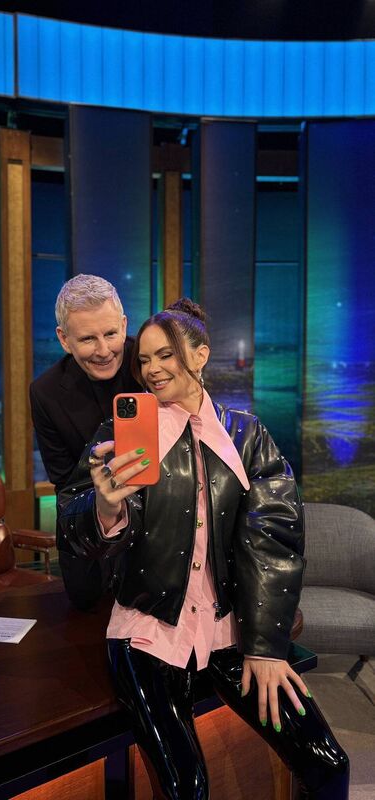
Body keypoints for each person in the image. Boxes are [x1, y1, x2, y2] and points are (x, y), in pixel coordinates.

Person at [59, 298, 349, 800]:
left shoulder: (247, 435)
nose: (150, 369)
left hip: (229, 628)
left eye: (164, 355)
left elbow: (274, 541)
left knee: (329, 763)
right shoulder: (124, 432)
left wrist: (265, 647)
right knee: (186, 786)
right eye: (143, 360)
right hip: (148, 630)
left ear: (200, 355)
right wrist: (104, 509)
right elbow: (74, 524)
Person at [30, 274, 140, 605]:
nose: (104, 350)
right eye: (88, 339)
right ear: (64, 339)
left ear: (123, 324)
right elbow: (63, 481)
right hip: (90, 543)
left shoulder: (152, 363)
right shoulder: (45, 392)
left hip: (162, 538)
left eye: (110, 333)